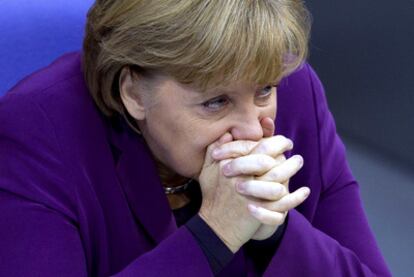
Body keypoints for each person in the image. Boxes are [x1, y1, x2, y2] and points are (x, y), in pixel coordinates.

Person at [0, 0, 391, 276]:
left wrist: (276, 231)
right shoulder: (35, 132)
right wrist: (213, 235)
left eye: (264, 91)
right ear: (134, 92)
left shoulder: (295, 91)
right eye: (216, 102)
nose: (254, 130)